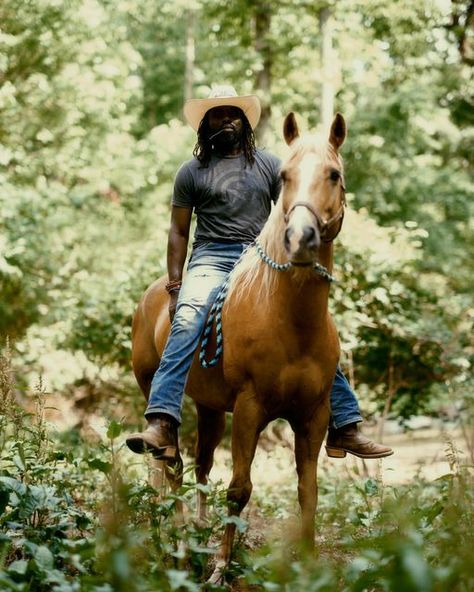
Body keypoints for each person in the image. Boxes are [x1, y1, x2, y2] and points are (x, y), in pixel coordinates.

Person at [126, 86, 393, 461]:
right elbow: (178, 231)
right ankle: (162, 421)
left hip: (259, 257)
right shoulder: (191, 172)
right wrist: (174, 284)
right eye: (218, 114)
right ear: (205, 123)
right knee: (186, 319)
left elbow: (290, 207)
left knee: (313, 328)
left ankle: (345, 424)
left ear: (245, 122)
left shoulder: (268, 164)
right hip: (211, 257)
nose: (228, 120)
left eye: (234, 114)